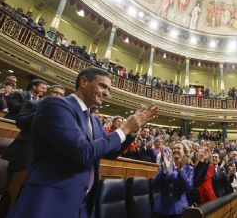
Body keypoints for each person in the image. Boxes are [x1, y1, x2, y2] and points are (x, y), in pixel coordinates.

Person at [8, 67, 158, 218]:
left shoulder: (93, 120)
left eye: (108, 89)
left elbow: (110, 152)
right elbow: (82, 153)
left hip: (83, 204)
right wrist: (125, 128)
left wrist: (132, 131)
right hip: (49, 200)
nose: (106, 93)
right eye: (103, 86)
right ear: (84, 82)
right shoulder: (56, 105)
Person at [0, 85, 65, 216]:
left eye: (61, 95)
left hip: (43, 160)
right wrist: (45, 111)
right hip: (24, 155)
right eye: (55, 93)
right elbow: (20, 122)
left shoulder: (61, 113)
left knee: (28, 198)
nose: (58, 96)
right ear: (46, 95)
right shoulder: (33, 104)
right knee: (11, 194)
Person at [153, 141, 194, 217]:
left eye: (178, 148)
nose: (175, 150)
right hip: (162, 207)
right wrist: (164, 170)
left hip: (179, 208)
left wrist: (180, 171)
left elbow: (188, 188)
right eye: (174, 148)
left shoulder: (189, 169)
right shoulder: (165, 164)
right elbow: (155, 184)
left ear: (184, 152)